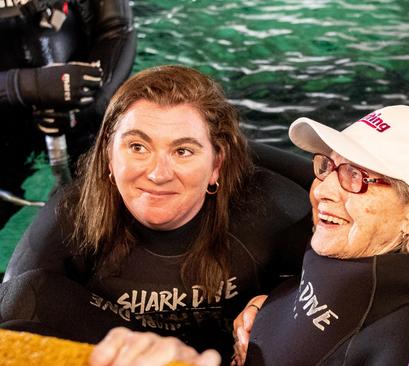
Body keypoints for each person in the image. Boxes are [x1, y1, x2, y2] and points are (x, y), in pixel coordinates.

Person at [88, 105, 409, 366]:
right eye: (328, 167)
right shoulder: (351, 252)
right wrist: (266, 310)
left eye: (356, 177)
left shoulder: (408, 333)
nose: (322, 191)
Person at [0, 65, 312, 361]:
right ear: (109, 157)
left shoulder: (271, 210)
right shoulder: (68, 224)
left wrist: (278, 304)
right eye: (138, 147)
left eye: (183, 151)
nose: (157, 174)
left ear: (216, 165)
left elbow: (346, 282)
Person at [0, 0, 136, 224]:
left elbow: (117, 28)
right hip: (5, 128)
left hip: (76, 108)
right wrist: (23, 86)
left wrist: (93, 101)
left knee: (110, 215)